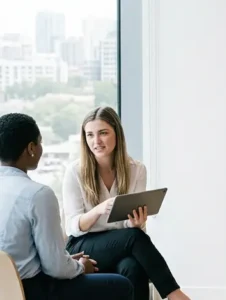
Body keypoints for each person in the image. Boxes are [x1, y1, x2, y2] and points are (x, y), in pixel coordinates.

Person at [0, 112, 134, 300]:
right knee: (121, 285)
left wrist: (66, 261)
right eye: (39, 142)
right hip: (28, 290)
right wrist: (81, 266)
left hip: (3, 290)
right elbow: (55, 268)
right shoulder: (38, 194)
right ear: (31, 148)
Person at [62, 107, 189, 300]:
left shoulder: (136, 169)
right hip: (83, 244)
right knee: (134, 237)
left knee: (132, 266)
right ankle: (174, 294)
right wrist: (97, 211)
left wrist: (136, 222)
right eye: (90, 135)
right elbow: (72, 226)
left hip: (122, 242)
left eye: (103, 133)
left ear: (117, 134)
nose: (96, 141)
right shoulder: (75, 172)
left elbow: (126, 225)